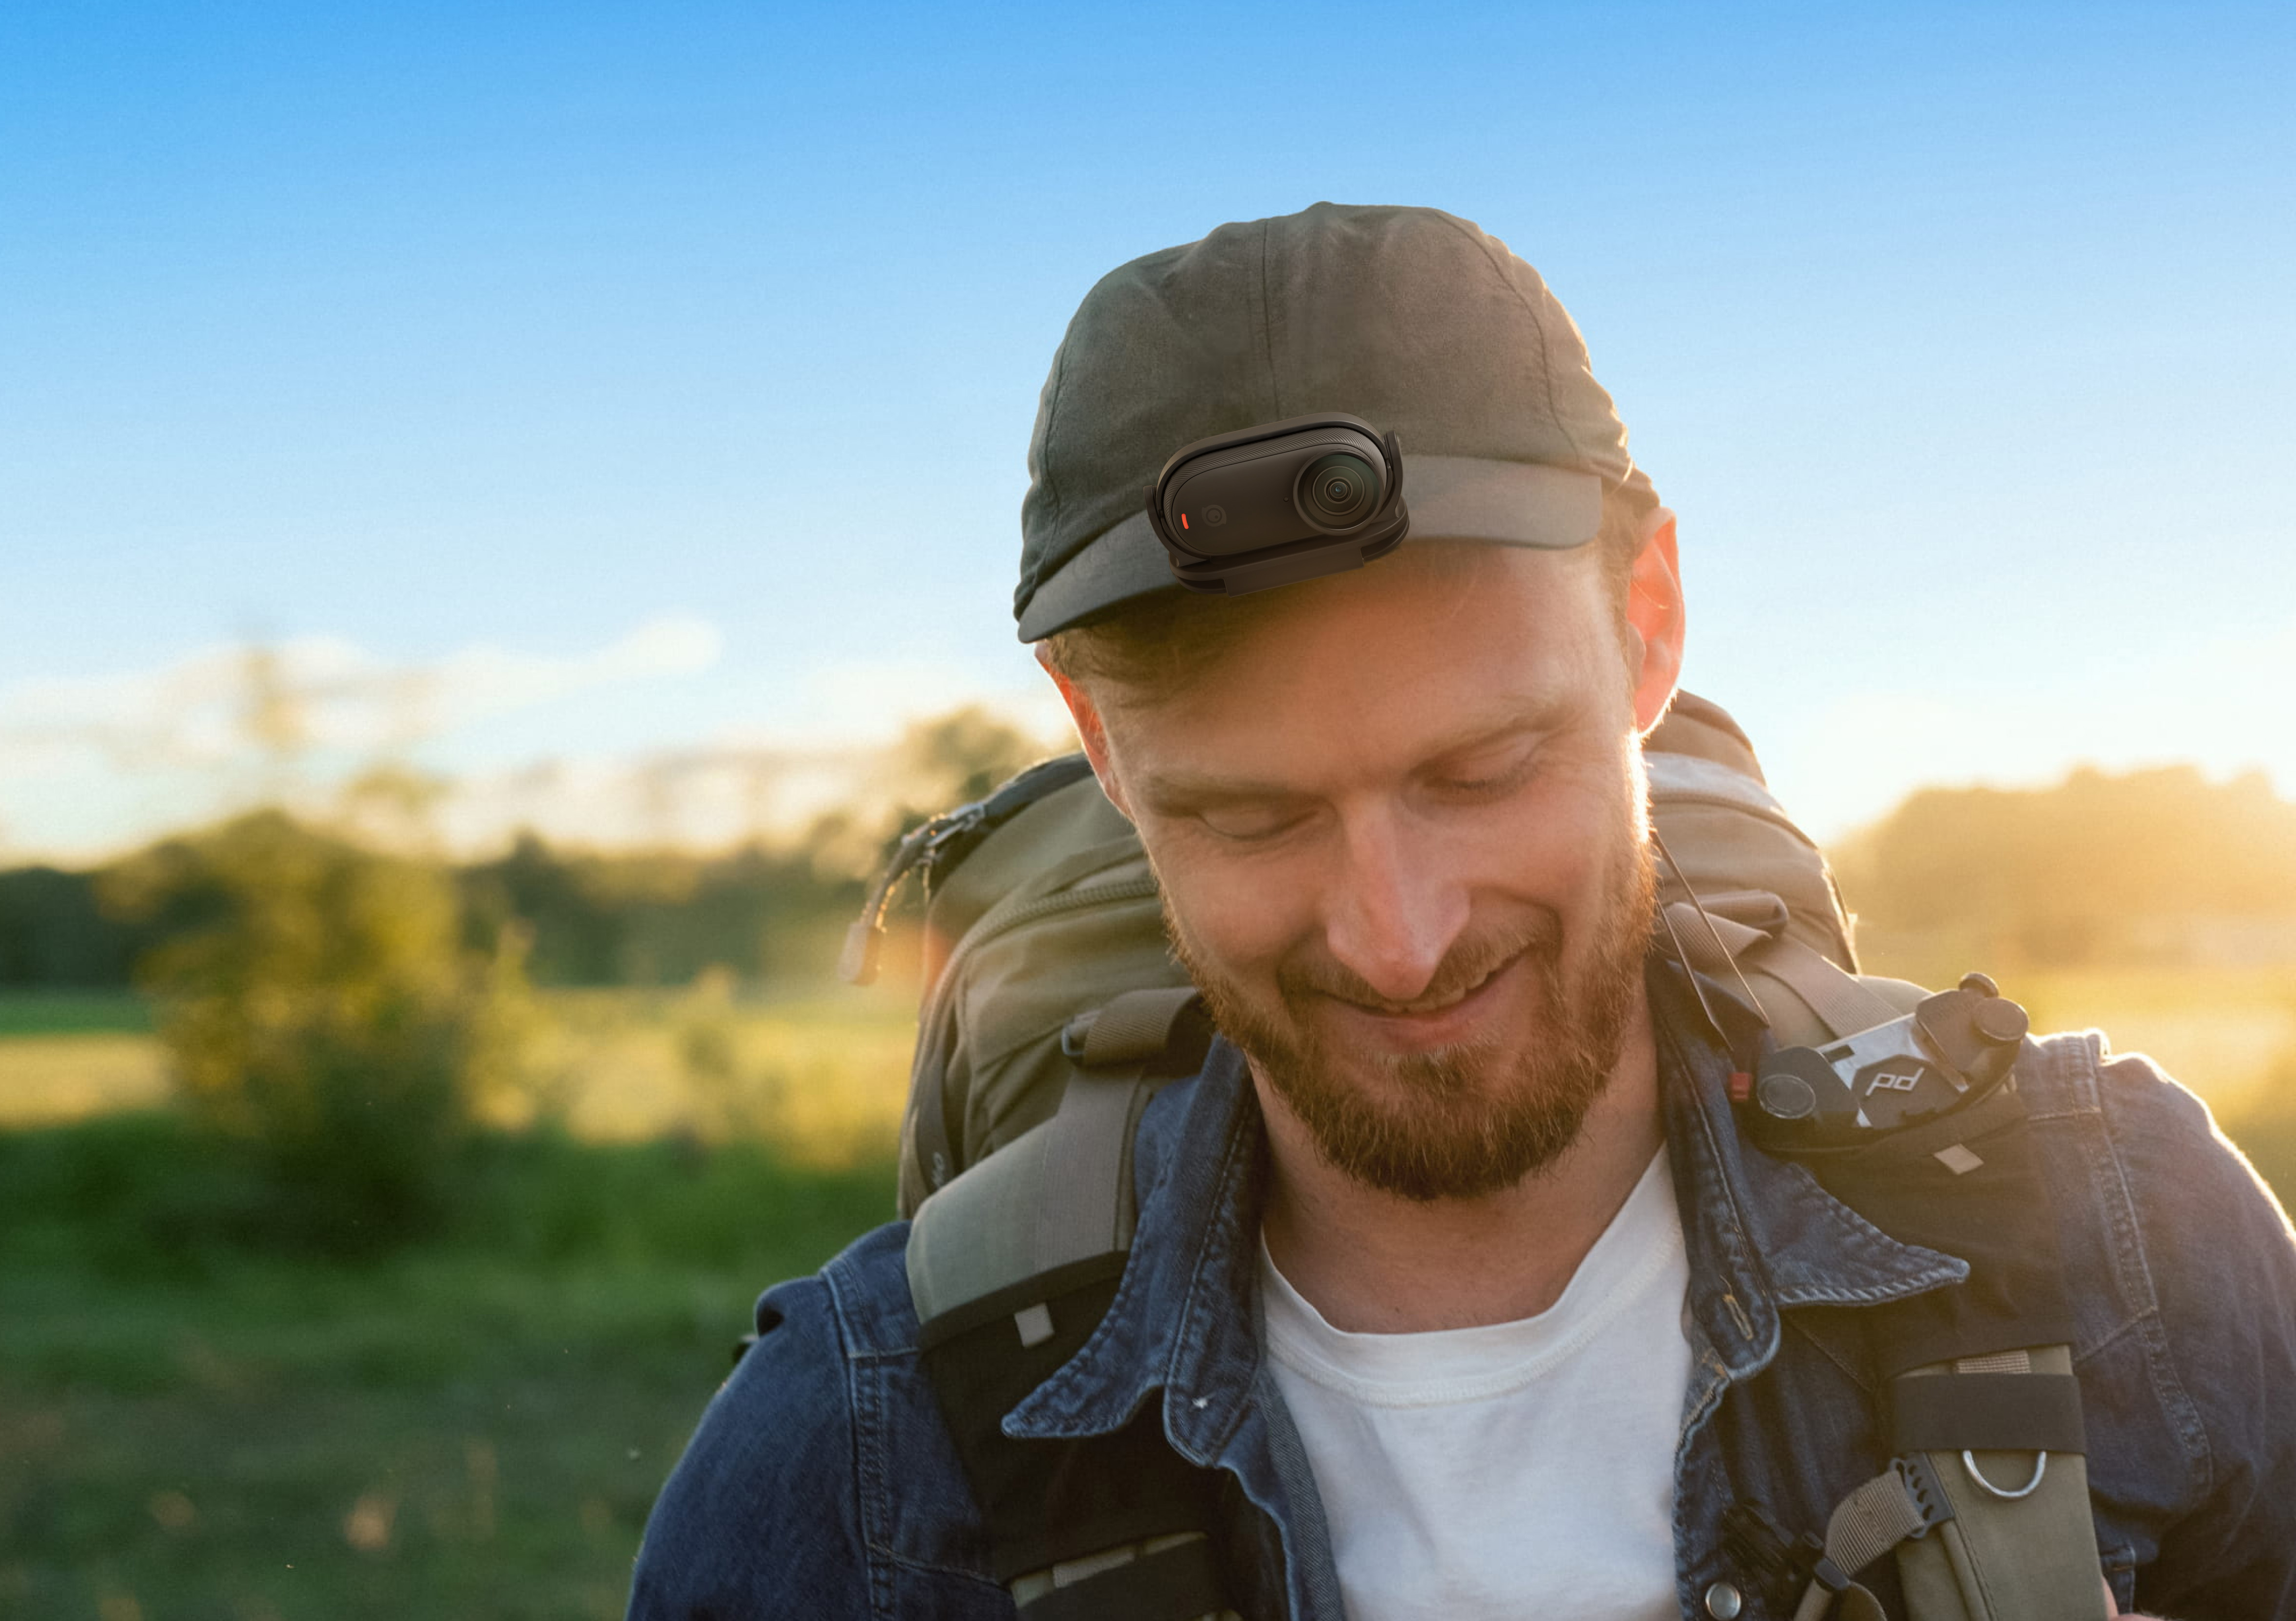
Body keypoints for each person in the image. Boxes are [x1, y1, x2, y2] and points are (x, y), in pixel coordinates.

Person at [625, 203, 2296, 1619]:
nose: (1397, 938)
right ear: (1099, 746)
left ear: (1645, 623)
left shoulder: (2127, 1241)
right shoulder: (858, 1447)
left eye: (1483, 770)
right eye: (1251, 817)